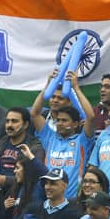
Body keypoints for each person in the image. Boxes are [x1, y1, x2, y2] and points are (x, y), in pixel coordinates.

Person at [31, 70, 95, 198]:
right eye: (58, 120)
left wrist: (75, 87)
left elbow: (91, 116)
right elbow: (35, 113)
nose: (60, 123)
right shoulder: (49, 137)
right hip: (48, 199)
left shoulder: (82, 140)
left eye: (64, 120)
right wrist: (48, 86)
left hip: (73, 200)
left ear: (75, 124)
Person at [11, 168, 82, 219]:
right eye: (46, 183)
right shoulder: (32, 208)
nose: (47, 187)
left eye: (53, 183)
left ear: (64, 186)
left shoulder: (72, 214)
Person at [0, 107, 44, 190]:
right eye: (7, 121)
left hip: (20, 193)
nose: (9, 125)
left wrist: (7, 180)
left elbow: (35, 175)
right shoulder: (1, 142)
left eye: (14, 121)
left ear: (26, 124)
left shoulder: (34, 147)